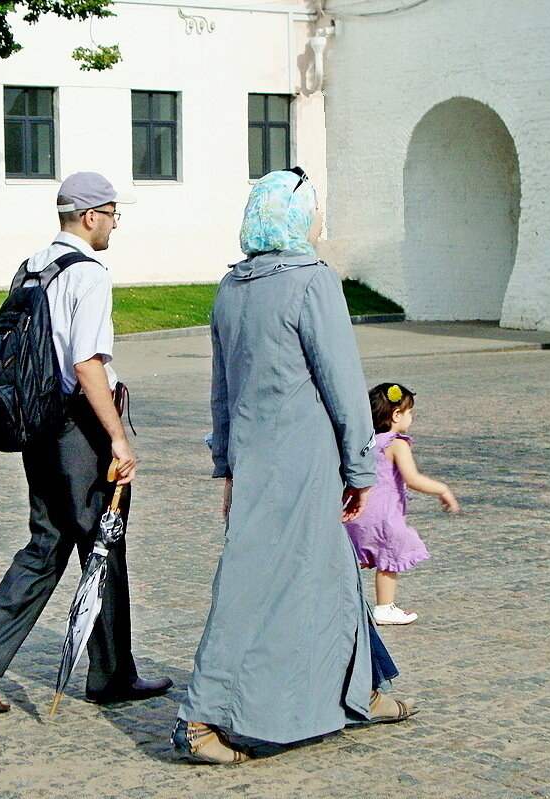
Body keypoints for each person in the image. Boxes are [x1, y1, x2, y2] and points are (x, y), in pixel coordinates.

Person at [173, 168, 411, 765]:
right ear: (297, 218)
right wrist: (362, 467)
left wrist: (228, 467)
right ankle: (200, 718)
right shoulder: (312, 281)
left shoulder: (231, 288)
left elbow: (221, 392)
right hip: (304, 463)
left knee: (332, 577)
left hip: (257, 462)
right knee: (251, 587)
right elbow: (343, 381)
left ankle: (359, 692)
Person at [0, 172, 170, 712]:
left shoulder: (34, 265)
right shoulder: (88, 274)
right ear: (91, 216)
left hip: (36, 424)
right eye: (113, 213)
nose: (115, 223)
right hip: (78, 427)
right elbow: (86, 363)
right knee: (103, 543)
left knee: (48, 542)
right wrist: (117, 438)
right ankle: (111, 677)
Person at [345, 382, 460, 626]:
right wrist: (443, 489)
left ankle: (338, 601)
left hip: (356, 510)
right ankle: (385, 607)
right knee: (388, 558)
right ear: (396, 415)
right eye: (409, 413)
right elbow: (413, 478)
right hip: (384, 516)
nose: (411, 418)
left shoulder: (365, 441)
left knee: (360, 556)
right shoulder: (397, 443)